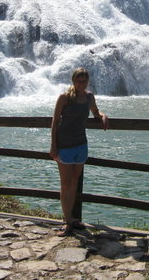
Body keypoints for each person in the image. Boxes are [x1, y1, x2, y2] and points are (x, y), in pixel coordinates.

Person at [49, 67, 109, 236]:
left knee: (74, 181)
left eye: (84, 80)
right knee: (65, 183)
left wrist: (103, 116)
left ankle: (72, 218)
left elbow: (96, 112)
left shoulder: (89, 97)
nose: (82, 83)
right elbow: (54, 122)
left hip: (81, 145)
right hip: (64, 145)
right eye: (79, 80)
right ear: (73, 81)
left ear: (87, 81)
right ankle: (67, 221)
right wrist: (53, 145)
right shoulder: (64, 98)